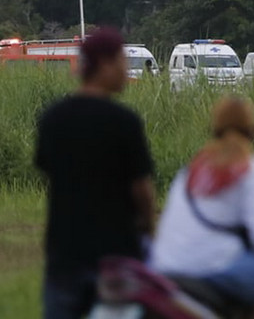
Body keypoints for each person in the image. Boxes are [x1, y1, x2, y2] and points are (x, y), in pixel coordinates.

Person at [150, 96, 254, 319]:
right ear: (252, 130)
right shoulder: (252, 171)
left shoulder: (191, 170)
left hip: (166, 264)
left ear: (214, 128)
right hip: (214, 265)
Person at [35, 28, 157, 319]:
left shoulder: (53, 118)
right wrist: (149, 228)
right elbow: (142, 189)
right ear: (104, 64)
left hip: (64, 253)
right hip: (115, 258)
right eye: (122, 62)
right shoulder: (124, 122)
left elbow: (48, 173)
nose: (126, 70)